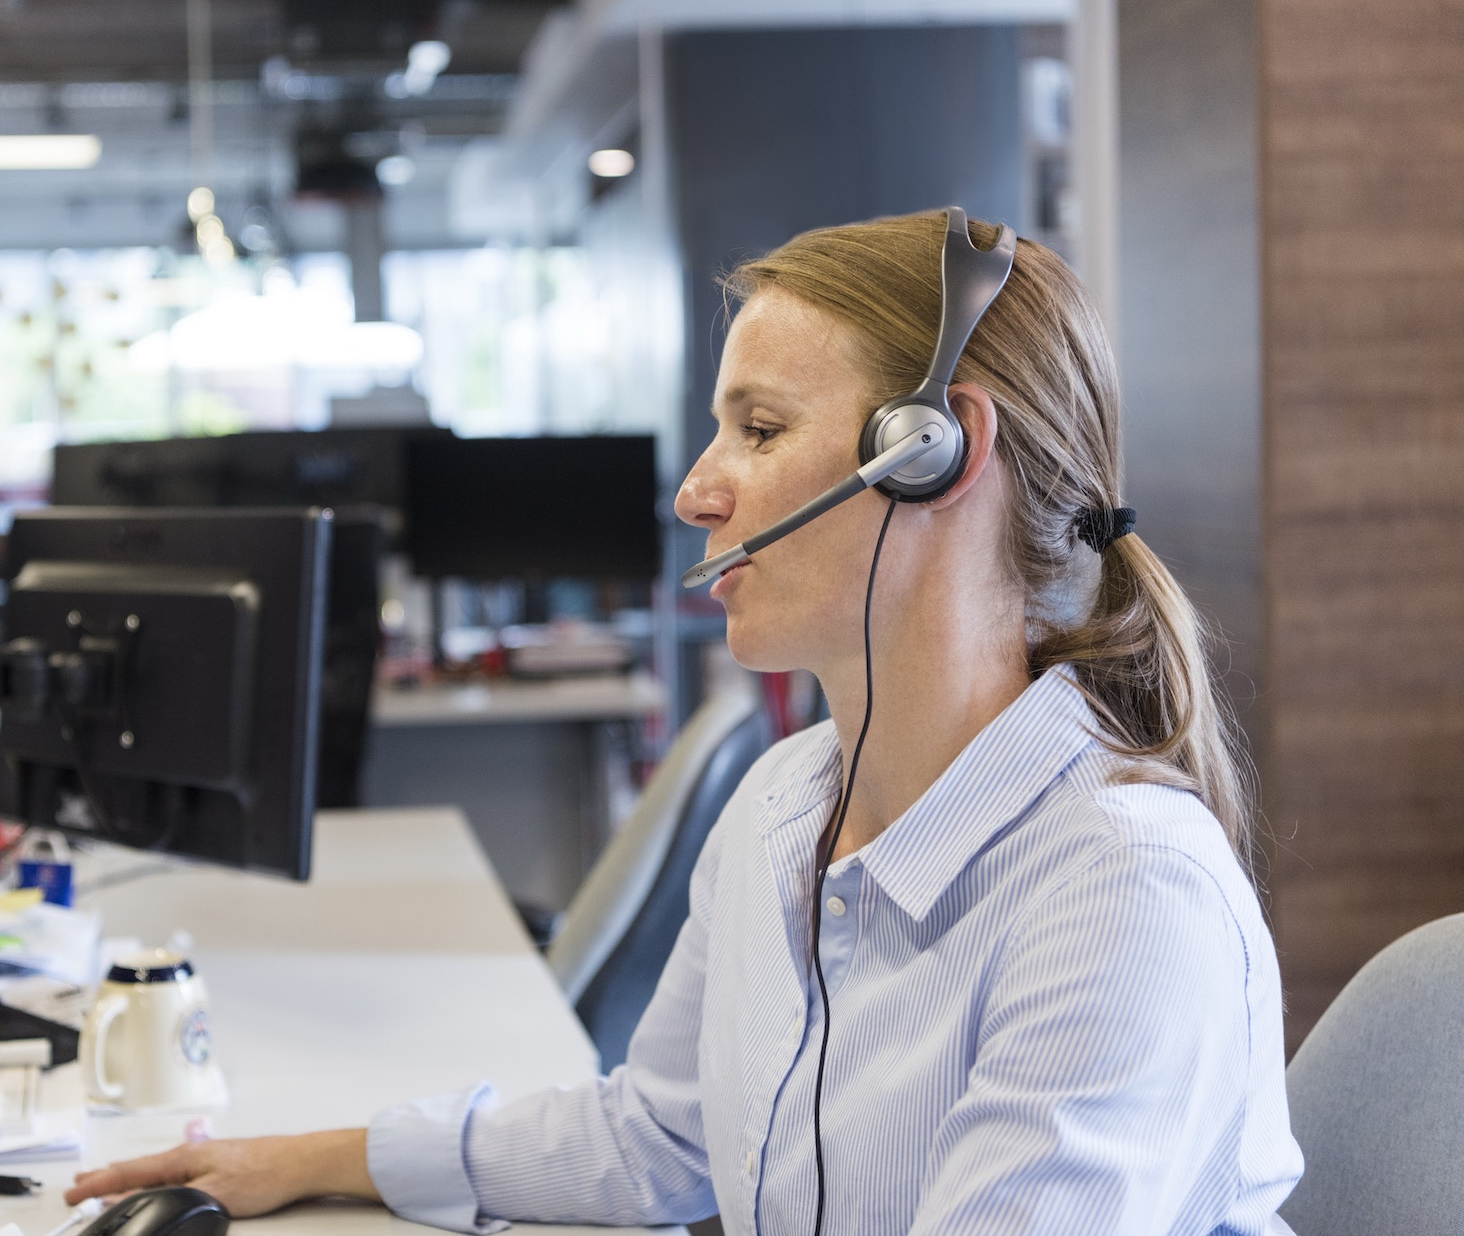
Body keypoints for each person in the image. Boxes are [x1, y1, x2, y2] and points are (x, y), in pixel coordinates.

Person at [65, 211, 1304, 1234]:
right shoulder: (783, 804)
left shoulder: (1117, 897)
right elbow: (657, 1141)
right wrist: (321, 1157)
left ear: (929, 453)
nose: (694, 490)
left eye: (759, 430)